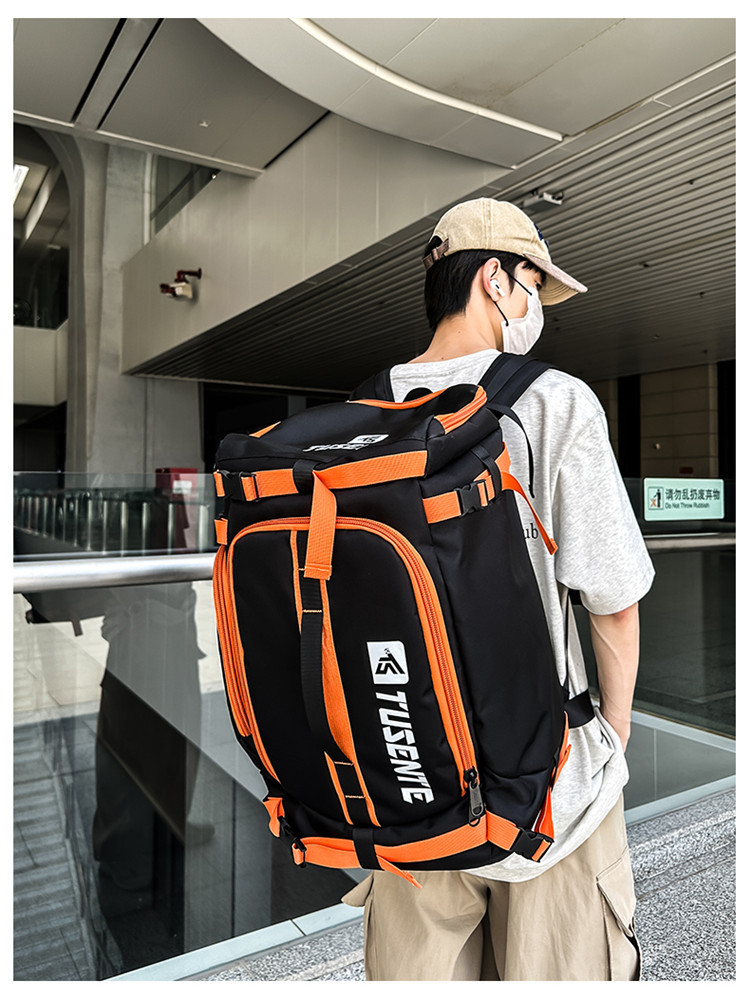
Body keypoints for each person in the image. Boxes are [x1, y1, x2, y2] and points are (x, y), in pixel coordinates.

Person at [342, 198, 655, 981]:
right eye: (531, 287)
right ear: (493, 279)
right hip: (549, 792)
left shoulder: (362, 416)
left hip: (407, 778)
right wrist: (610, 743)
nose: (534, 310)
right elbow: (614, 601)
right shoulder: (553, 401)